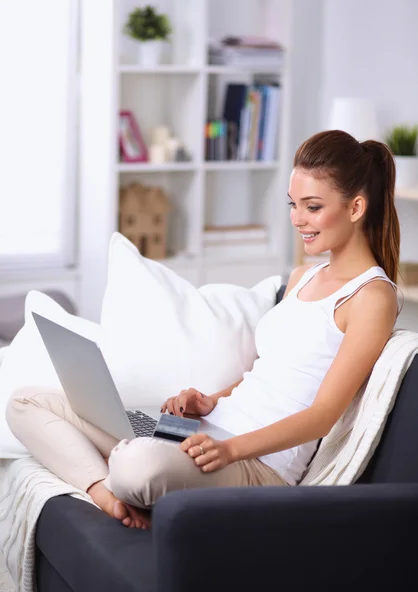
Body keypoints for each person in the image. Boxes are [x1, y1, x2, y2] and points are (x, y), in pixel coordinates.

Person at [6, 130, 402, 530]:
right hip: (201, 434)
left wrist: (229, 449)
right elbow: (268, 372)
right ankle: (104, 495)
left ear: (355, 208)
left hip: (255, 464)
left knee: (136, 463)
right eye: (293, 205)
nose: (297, 219)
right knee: (26, 401)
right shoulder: (302, 276)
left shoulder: (371, 297)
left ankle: (126, 468)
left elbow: (322, 416)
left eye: (312, 207)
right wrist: (209, 402)